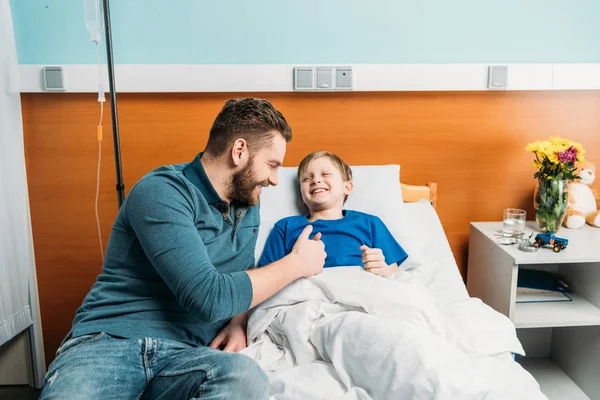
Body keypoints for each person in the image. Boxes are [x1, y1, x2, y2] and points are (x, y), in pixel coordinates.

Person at [39, 98, 326, 400]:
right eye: (271, 165)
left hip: (187, 357)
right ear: (239, 151)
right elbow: (208, 297)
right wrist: (297, 264)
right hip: (110, 342)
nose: (274, 179)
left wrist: (239, 320)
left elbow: (241, 272)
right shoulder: (162, 191)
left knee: (244, 376)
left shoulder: (248, 203)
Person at [259, 151, 408, 278]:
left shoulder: (370, 224)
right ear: (301, 194)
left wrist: (383, 269)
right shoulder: (285, 227)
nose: (316, 180)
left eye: (325, 174)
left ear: (347, 187)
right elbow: (267, 277)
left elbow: (394, 273)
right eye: (306, 179)